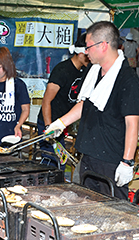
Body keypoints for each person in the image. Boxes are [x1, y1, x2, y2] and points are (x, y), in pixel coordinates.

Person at [46, 21, 139, 200]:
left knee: (112, 213)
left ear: (103, 45)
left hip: (111, 160)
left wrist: (127, 162)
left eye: (88, 47)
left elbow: (132, 123)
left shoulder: (127, 79)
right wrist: (60, 123)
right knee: (87, 207)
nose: (85, 52)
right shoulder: (94, 71)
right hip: (88, 154)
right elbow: (85, 104)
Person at [37, 33, 90, 170]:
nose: (90, 58)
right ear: (80, 53)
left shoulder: (84, 71)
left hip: (62, 122)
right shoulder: (62, 70)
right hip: (49, 120)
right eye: (88, 54)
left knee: (61, 161)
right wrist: (49, 128)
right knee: (50, 160)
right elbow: (46, 101)